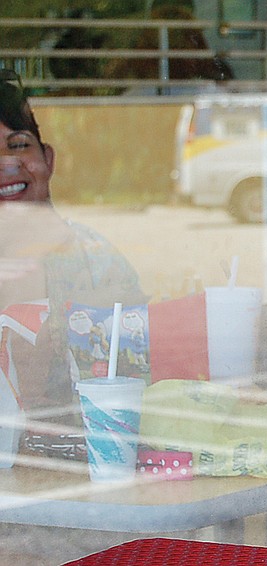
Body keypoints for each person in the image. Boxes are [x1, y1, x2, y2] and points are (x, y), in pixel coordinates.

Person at [0, 69, 145, 417]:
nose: (7, 164)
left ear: (48, 159)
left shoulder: (96, 259)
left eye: (19, 144)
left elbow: (134, 369)